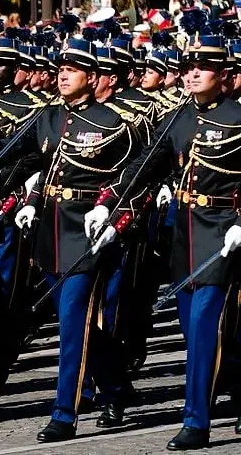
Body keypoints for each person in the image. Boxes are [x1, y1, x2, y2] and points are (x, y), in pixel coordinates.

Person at [0, 37, 142, 442]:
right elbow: (14, 157)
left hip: (87, 230)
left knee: (72, 324)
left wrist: (116, 217)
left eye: (73, 70)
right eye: (61, 69)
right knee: (79, 322)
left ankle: (64, 413)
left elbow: (136, 175)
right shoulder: (48, 118)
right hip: (51, 231)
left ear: (94, 77)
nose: (64, 75)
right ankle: (117, 388)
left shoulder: (115, 123)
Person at [85, 33, 241, 450]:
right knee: (196, 332)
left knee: (206, 325)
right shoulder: (177, 118)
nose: (192, 73)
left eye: (202, 67)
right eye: (188, 66)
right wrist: (110, 203)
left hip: (225, 231)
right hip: (186, 234)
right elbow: (145, 165)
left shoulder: (238, 117)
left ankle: (196, 422)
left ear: (223, 75)